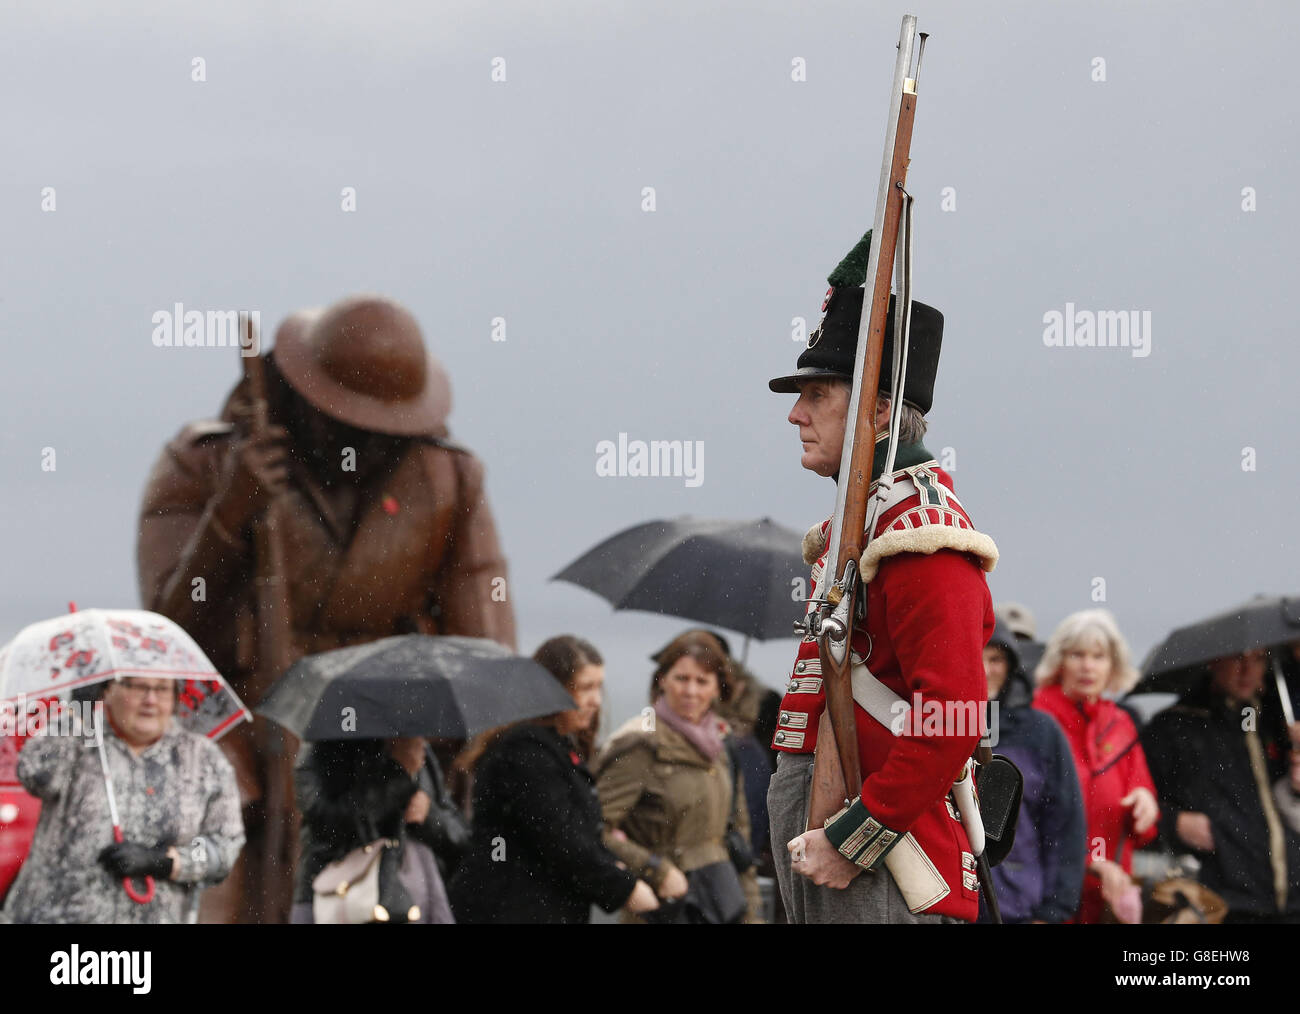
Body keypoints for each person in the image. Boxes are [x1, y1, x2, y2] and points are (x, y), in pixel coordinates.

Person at [136, 295, 516, 922]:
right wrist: (228, 520)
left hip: (383, 750)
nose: (366, 444)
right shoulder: (203, 463)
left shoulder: (448, 478)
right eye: (348, 422)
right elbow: (167, 634)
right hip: (243, 750)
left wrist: (436, 778)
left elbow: (485, 658)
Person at [765, 231, 999, 924]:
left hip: (888, 866)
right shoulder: (860, 527)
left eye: (816, 394)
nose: (795, 414)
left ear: (875, 411)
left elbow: (953, 716)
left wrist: (854, 838)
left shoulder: (920, 540)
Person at [448, 636, 658, 923]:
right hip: (510, 908)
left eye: (598, 687)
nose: (596, 700)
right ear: (551, 688)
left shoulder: (551, 745)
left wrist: (612, 868)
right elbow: (561, 838)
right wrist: (625, 888)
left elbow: (573, 834)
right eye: (585, 688)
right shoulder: (526, 751)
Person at [1, 677, 243, 924]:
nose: (150, 699)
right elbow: (35, 774)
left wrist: (166, 862)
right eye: (136, 686)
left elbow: (224, 847)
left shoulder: (202, 758)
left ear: (175, 696)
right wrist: (78, 712)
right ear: (107, 689)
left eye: (161, 689)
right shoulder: (77, 734)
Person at [594, 632, 763, 923]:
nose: (691, 691)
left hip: (721, 904)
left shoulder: (723, 743)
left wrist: (752, 915)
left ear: (717, 688)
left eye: (702, 681)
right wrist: (657, 870)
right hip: (664, 908)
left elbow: (739, 839)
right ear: (662, 680)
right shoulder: (640, 742)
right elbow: (595, 828)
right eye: (681, 678)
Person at [1141, 646, 1300, 923]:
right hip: (1219, 903)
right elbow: (1133, 801)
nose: (1247, 670)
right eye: (1239, 658)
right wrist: (1174, 822)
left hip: (1289, 901)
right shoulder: (1174, 726)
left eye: (1258, 659)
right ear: (1214, 660)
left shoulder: (1277, 723)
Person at [1032, 608, 1159, 923]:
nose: (1088, 666)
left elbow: (1146, 830)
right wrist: (1086, 860)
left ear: (1113, 664)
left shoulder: (1121, 724)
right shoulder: (1037, 720)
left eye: (1098, 656)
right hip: (1047, 895)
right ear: (1060, 661)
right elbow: (1028, 821)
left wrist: (1146, 806)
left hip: (1106, 902)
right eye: (1077, 655)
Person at [979, 620, 1086, 923]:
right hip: (949, 908)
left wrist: (1053, 912)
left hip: (1019, 908)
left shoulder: (1041, 733)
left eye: (996, 658)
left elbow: (1065, 827)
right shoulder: (936, 724)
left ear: (1011, 665)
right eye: (975, 656)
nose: (986, 669)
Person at [292, 737, 460, 924]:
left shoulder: (417, 749)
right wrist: (398, 773)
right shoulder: (322, 747)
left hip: (407, 899)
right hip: (334, 896)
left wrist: (430, 817)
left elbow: (460, 835)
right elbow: (327, 824)